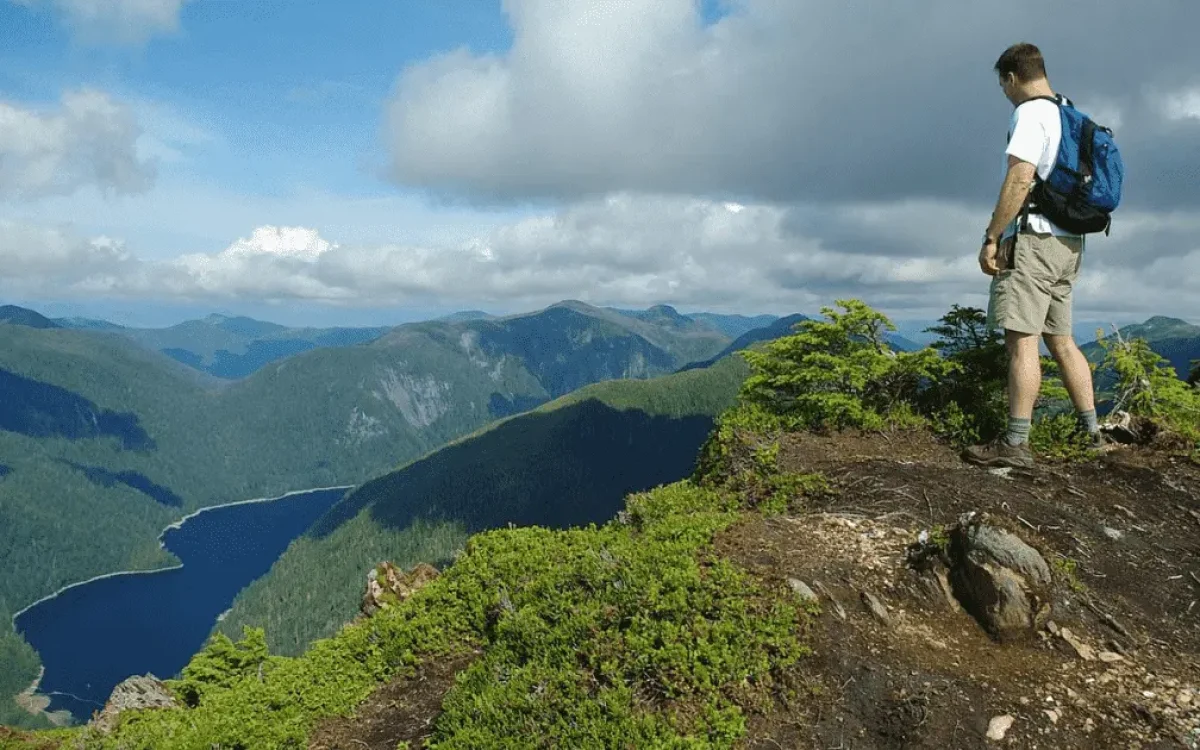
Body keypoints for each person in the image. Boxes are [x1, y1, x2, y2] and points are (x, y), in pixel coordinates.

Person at [963, 42, 1105, 469]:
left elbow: (1020, 177)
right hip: (1069, 243)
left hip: (1035, 243)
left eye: (1003, 85)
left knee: (1021, 342)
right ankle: (1093, 434)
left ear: (1010, 77)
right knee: (1061, 340)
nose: (1005, 93)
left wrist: (993, 235)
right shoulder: (1068, 112)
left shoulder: (1029, 113)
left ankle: (1015, 443)